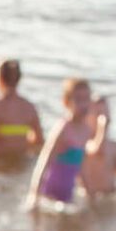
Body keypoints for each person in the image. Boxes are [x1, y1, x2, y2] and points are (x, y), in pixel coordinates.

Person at [25, 76, 93, 210]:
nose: (83, 105)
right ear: (66, 102)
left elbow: (81, 165)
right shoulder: (63, 128)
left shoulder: (87, 130)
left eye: (86, 99)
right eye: (78, 100)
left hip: (67, 192)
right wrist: (34, 194)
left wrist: (88, 192)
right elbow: (44, 161)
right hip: (49, 190)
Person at [0, 59, 42, 157]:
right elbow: (39, 141)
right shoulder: (29, 107)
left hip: (0, 160)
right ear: (19, 78)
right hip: (21, 160)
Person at [80, 95, 116, 198]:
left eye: (105, 114)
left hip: (110, 194)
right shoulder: (85, 143)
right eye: (98, 114)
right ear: (88, 118)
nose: (103, 118)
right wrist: (102, 128)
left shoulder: (113, 146)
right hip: (93, 195)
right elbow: (97, 150)